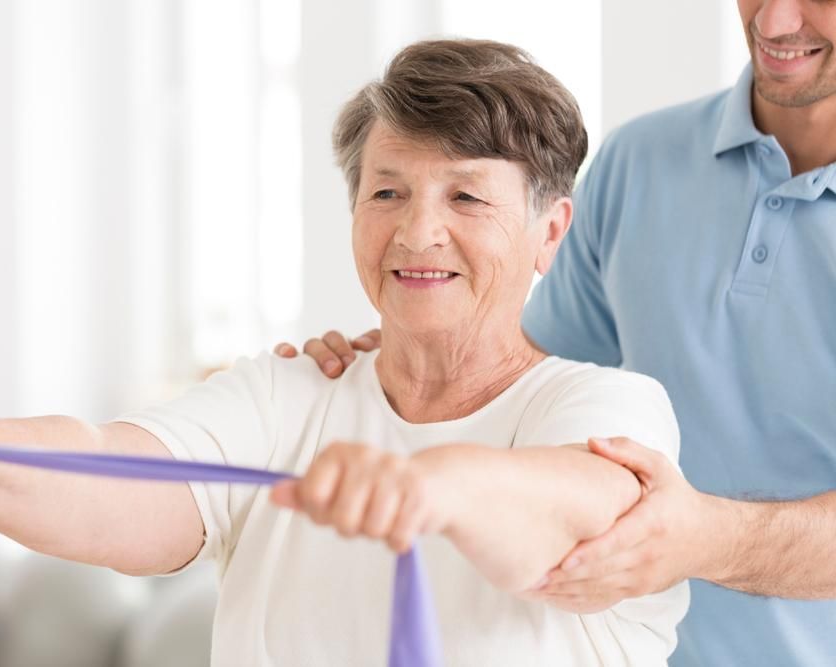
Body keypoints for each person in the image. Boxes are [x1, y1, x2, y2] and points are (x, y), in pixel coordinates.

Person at [0, 40, 689, 665]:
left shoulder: (603, 406)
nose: (417, 230)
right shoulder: (290, 393)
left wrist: (428, 486)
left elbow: (578, 516)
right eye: (385, 191)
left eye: (466, 195)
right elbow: (114, 473)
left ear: (551, 231)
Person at [284, 1, 836, 664]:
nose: (774, 24)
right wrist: (394, 355)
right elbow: (523, 374)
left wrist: (705, 538)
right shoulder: (640, 162)